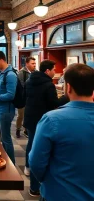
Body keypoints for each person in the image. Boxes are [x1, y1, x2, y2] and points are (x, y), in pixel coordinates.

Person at [29, 63, 94, 201]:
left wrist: (47, 181)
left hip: (59, 193)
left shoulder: (51, 120)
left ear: (68, 87)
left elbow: (36, 162)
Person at [23, 60, 58, 196]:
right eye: (54, 69)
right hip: (43, 119)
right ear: (47, 71)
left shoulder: (29, 81)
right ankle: (36, 185)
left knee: (32, 145)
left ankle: (28, 169)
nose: (55, 72)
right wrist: (66, 98)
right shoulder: (49, 85)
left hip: (31, 118)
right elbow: (53, 103)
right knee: (40, 151)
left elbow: (24, 98)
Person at [16, 56, 36, 138]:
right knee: (21, 115)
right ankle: (18, 128)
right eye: (32, 63)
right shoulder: (21, 73)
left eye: (35, 63)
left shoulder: (36, 72)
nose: (34, 65)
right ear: (27, 64)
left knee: (29, 114)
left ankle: (26, 130)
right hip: (23, 98)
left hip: (32, 98)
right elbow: (21, 85)